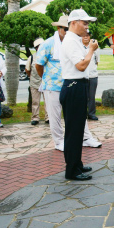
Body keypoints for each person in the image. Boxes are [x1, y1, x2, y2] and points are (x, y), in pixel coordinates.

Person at [35, 16, 102, 151]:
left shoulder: (75, 41)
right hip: (53, 85)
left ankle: (86, 137)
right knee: (55, 115)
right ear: (59, 28)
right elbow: (38, 65)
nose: (66, 31)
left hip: (71, 84)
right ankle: (59, 141)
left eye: (67, 29)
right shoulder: (48, 44)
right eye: (64, 29)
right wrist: (46, 78)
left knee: (79, 114)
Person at [60, 9, 99, 181]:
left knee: (78, 129)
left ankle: (77, 164)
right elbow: (81, 66)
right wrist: (90, 49)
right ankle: (72, 170)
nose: (87, 26)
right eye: (85, 23)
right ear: (73, 23)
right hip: (74, 86)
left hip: (78, 86)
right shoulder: (70, 41)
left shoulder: (74, 40)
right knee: (74, 131)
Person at [26, 38, 48, 125]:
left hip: (46, 83)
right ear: (36, 48)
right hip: (35, 82)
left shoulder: (48, 56)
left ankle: (48, 117)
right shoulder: (31, 58)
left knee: (48, 101)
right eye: (39, 46)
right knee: (35, 102)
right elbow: (27, 70)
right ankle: (35, 117)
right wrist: (32, 77)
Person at [81, 31, 100, 121]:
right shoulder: (79, 47)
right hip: (82, 76)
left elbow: (97, 61)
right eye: (84, 35)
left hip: (92, 75)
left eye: (87, 35)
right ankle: (82, 113)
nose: (85, 37)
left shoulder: (95, 47)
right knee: (82, 96)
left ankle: (91, 113)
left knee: (91, 96)